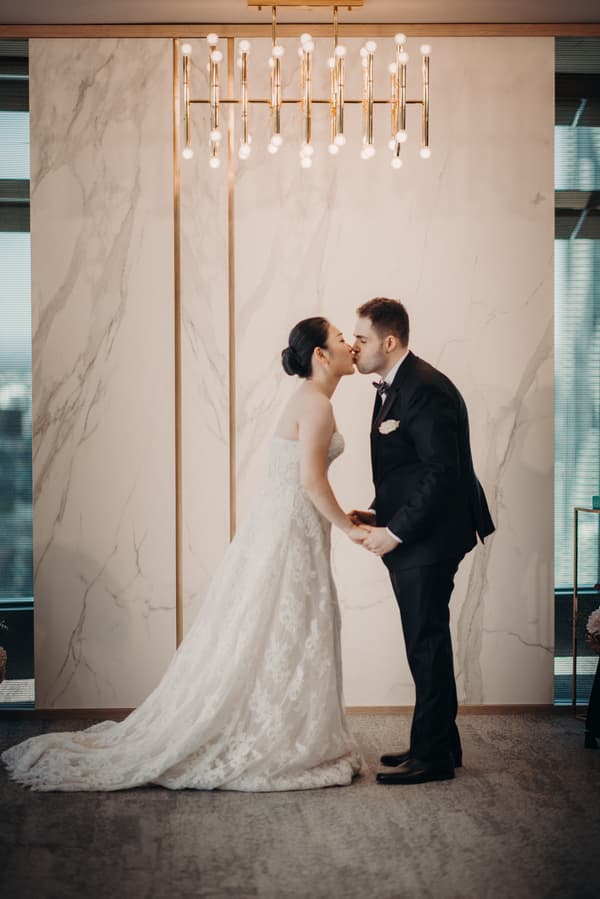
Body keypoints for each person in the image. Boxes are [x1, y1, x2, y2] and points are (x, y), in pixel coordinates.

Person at [2, 317, 364, 792]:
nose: (350, 346)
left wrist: (339, 517)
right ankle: (279, 733)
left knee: (282, 628)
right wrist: (351, 527)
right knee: (287, 625)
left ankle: (287, 723)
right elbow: (311, 481)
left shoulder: (310, 400)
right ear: (320, 355)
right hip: (291, 530)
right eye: (340, 339)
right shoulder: (316, 405)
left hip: (286, 526)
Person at [350, 298, 495, 785]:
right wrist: (379, 512)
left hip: (431, 536)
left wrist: (394, 532)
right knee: (426, 641)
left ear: (389, 342)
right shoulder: (395, 385)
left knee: (426, 644)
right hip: (420, 527)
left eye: (362, 338)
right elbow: (409, 469)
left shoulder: (425, 388)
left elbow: (441, 472)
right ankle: (440, 744)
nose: (354, 345)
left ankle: (432, 757)